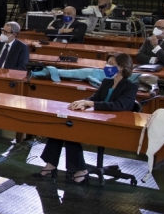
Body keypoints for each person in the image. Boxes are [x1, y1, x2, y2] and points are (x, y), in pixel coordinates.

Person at [32, 54, 137, 184]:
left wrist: (91, 104)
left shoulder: (130, 87)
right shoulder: (107, 82)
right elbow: (94, 98)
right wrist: (83, 102)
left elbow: (119, 105)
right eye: (107, 63)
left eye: (111, 64)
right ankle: (51, 165)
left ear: (121, 67)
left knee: (71, 130)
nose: (107, 66)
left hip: (113, 126)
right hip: (97, 121)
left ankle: (79, 170)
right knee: (62, 125)